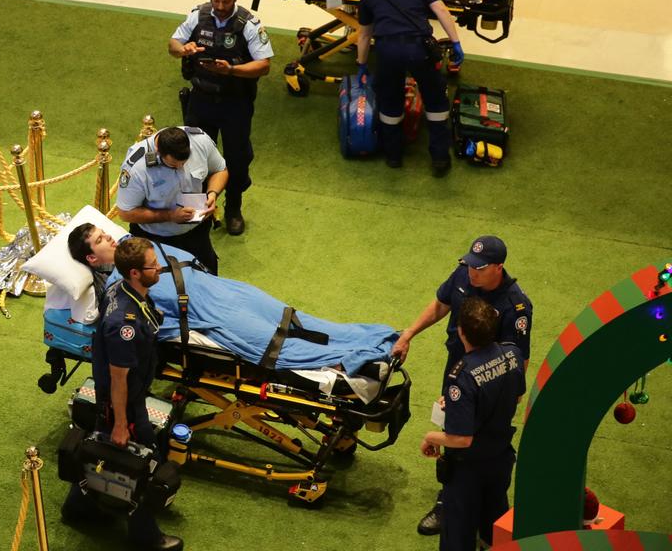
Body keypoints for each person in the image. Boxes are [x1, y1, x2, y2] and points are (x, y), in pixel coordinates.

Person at [66, 223, 399, 375]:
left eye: (103, 231)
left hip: (229, 291)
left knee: (295, 321)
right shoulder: (120, 287)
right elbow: (150, 325)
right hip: (214, 316)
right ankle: (363, 360)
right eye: (99, 240)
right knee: (280, 347)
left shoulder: (137, 241)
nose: (107, 236)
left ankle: (380, 337)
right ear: (92, 259)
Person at [392, 235, 532, 536]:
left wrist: (511, 393)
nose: (472, 272)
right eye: (470, 265)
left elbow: (519, 358)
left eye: (480, 268)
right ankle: (449, 498)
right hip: (458, 367)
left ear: (498, 267)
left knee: (476, 441)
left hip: (491, 384)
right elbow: (441, 304)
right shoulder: (463, 275)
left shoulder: (515, 306)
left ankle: (471, 508)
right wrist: (409, 334)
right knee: (453, 426)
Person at [61, 237, 183, 551]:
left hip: (122, 397)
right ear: (134, 274)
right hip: (124, 403)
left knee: (104, 453)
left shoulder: (119, 290)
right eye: (152, 266)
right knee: (140, 462)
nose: (159, 269)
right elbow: (118, 379)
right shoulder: (123, 324)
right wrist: (119, 422)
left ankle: (78, 508)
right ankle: (146, 537)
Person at [168, 0, 273, 236]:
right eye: (216, 0)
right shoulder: (198, 15)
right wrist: (184, 49)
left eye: (226, 1)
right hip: (201, 100)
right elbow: (172, 44)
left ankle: (233, 208)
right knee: (192, 157)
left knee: (236, 158)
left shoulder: (248, 24)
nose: (220, 6)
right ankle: (197, 211)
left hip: (235, 104)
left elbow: (264, 65)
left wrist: (232, 71)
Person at [419, 296, 525, 551]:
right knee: (495, 523)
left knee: (458, 533)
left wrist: (430, 437)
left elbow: (461, 439)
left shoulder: (462, 376)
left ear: (461, 331)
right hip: (500, 457)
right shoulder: (513, 354)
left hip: (468, 469)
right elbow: (517, 395)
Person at [355, 0, 460, 174]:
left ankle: (393, 156)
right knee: (435, 101)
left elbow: (363, 35)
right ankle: (440, 159)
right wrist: (455, 42)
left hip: (387, 52)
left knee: (390, 102)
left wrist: (362, 64)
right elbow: (440, 9)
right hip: (419, 48)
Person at [116, 126, 228, 275]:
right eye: (174, 165)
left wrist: (212, 194)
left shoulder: (199, 141)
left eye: (184, 162)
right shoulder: (137, 168)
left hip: (197, 231)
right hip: (156, 239)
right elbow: (125, 213)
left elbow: (220, 170)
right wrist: (170, 216)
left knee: (209, 276)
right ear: (158, 151)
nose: (181, 168)